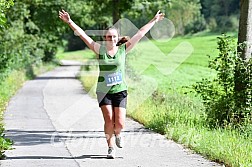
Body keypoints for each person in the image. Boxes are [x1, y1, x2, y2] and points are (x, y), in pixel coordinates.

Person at [58, 9, 165, 159]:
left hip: (120, 90)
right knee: (108, 119)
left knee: (119, 123)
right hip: (103, 91)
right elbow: (83, 35)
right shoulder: (99, 50)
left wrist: (154, 20)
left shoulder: (123, 49)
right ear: (105, 38)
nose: (111, 39)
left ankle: (118, 133)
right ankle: (110, 147)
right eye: (109, 37)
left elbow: (140, 33)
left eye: (114, 36)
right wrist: (70, 21)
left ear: (117, 38)